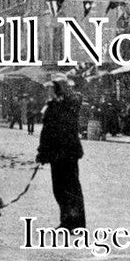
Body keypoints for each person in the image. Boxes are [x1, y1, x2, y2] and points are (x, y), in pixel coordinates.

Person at [36, 74, 86, 230]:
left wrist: (60, 99)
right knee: (59, 189)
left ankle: (76, 223)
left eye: (55, 87)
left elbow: (59, 128)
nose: (53, 90)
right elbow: (46, 131)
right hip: (56, 154)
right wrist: (42, 151)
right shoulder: (54, 105)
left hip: (67, 153)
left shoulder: (69, 104)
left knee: (71, 189)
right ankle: (66, 220)